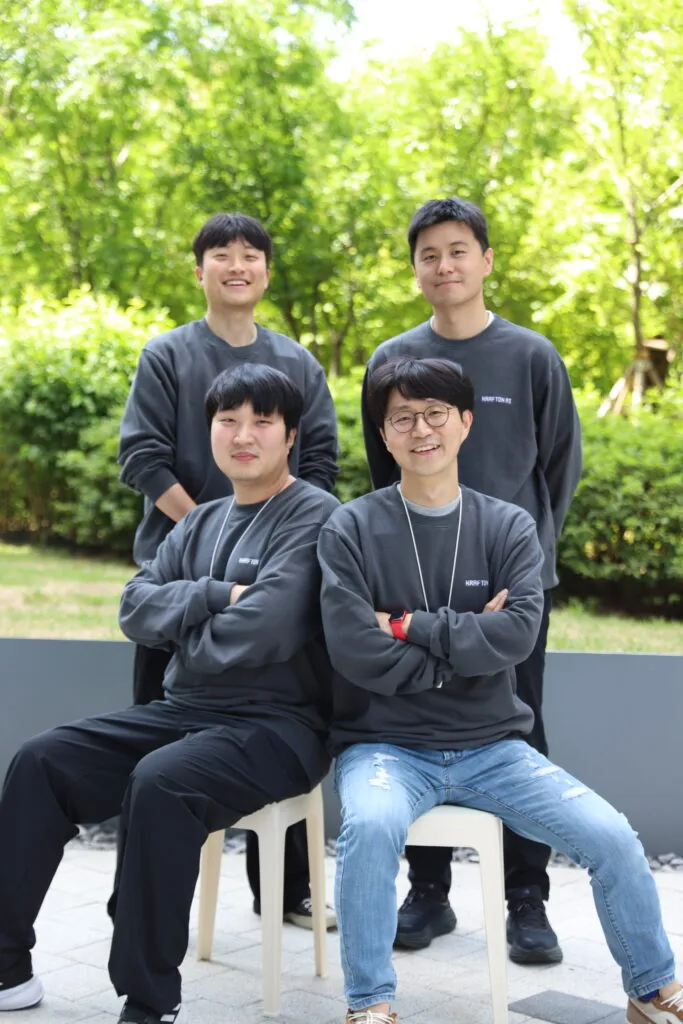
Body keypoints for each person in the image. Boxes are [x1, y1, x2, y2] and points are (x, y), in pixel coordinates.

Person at [319, 356, 682, 1024]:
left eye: (435, 413)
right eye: (402, 417)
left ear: (465, 422)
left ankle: (651, 989)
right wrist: (465, 647)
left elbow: (515, 636)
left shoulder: (509, 525)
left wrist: (405, 625)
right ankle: (369, 1004)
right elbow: (352, 650)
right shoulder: (350, 527)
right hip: (384, 745)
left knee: (612, 836)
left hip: (492, 747)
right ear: (384, 433)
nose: (420, 429)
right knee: (369, 829)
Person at [0, 365, 339, 1024]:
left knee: (163, 781)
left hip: (280, 726)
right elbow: (134, 607)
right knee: (42, 761)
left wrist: (185, 632)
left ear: (291, 435)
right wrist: (216, 595)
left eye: (261, 421)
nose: (242, 435)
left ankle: (149, 1001)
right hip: (183, 711)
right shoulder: (199, 521)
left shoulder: (316, 516)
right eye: (227, 420)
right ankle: (7, 965)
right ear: (210, 430)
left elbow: (267, 627)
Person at [361, 197, 582, 963]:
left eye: (457, 250)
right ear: (414, 268)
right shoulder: (393, 358)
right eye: (428, 254)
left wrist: (524, 566)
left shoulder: (530, 356)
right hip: (414, 581)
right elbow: (381, 466)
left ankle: (527, 899)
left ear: (485, 260)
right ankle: (427, 890)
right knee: (414, 723)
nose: (443, 265)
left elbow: (559, 468)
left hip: (509, 589)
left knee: (521, 728)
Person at [118, 212, 339, 930]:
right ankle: (141, 900)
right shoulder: (167, 354)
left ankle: (288, 891)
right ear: (200, 270)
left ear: (267, 271)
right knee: (156, 749)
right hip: (181, 575)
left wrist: (275, 543)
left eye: (250, 254)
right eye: (221, 254)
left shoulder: (298, 363)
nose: (236, 265)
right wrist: (210, 530)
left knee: (275, 726)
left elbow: (320, 462)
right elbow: (142, 457)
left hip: (276, 584)